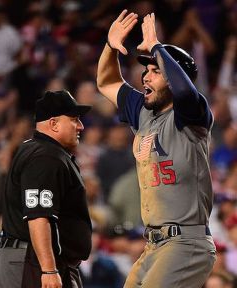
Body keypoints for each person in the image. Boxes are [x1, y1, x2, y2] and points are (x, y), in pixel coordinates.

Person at [96, 10, 216, 288]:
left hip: (186, 243)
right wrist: (109, 47)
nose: (145, 77)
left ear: (175, 78)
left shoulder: (192, 115)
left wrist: (157, 46)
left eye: (156, 71)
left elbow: (185, 92)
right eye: (145, 71)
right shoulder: (144, 113)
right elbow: (107, 82)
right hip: (153, 246)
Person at [0, 90, 93, 288]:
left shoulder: (41, 150)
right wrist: (48, 269)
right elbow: (38, 216)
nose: (81, 126)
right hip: (34, 260)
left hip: (37, 258)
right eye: (74, 119)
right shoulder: (45, 157)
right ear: (54, 123)